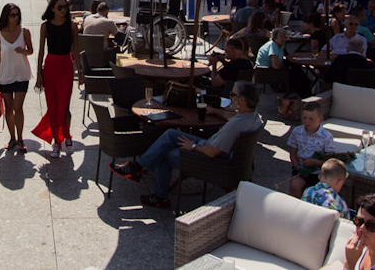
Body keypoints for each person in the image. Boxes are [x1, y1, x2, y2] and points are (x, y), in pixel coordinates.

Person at [109, 81, 264, 209]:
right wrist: (216, 111)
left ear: (241, 100)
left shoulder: (234, 126)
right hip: (223, 155)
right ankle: (137, 168)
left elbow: (211, 152)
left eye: (233, 94)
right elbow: (232, 115)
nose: (230, 97)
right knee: (170, 134)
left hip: (211, 160)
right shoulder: (253, 117)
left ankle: (159, 196)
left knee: (164, 153)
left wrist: (193, 147)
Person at [34, 0, 82, 158]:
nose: (63, 10)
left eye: (65, 7)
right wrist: (39, 74)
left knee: (64, 106)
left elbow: (76, 50)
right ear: (53, 8)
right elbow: (41, 51)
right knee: (53, 106)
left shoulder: (72, 26)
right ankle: (56, 141)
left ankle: (67, 136)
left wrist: (80, 71)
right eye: (60, 7)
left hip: (66, 66)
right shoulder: (45, 26)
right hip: (50, 66)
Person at [0, 3, 33, 151]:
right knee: (8, 108)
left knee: (18, 107)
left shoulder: (24, 32)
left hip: (22, 74)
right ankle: (12, 138)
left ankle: (21, 139)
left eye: (17, 15)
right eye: (12, 15)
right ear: (6, 16)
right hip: (5, 74)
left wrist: (24, 51)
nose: (15, 18)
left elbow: (31, 50)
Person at [288, 102, 336, 197]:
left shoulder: (327, 137)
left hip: (318, 173)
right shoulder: (297, 131)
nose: (307, 121)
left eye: (311, 119)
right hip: (300, 170)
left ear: (320, 120)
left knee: (315, 194)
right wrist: (298, 167)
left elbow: (330, 162)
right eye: (304, 118)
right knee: (295, 185)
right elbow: (292, 154)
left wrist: (314, 162)